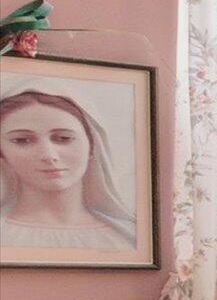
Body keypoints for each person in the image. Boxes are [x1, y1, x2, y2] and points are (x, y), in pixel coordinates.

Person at [0, 88, 139, 253]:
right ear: (2, 152)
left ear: (91, 145)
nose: (49, 155)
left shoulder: (128, 237)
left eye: (64, 138)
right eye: (22, 140)